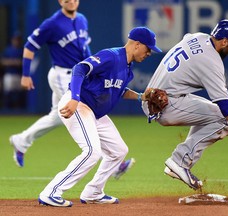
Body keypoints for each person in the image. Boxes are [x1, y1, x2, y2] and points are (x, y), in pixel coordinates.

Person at [38, 26, 162, 207]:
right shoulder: (111, 56)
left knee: (119, 150)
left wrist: (140, 96)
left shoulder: (128, 68)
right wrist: (74, 98)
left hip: (94, 112)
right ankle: (51, 192)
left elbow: (118, 90)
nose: (149, 53)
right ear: (137, 44)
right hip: (79, 105)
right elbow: (80, 68)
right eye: (148, 48)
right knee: (91, 152)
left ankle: (93, 192)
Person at [9, 0, 134, 177]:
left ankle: (21, 140)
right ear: (60, 1)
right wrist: (25, 74)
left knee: (57, 116)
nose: (71, 1)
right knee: (87, 108)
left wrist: (93, 66)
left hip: (78, 74)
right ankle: (116, 161)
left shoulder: (82, 19)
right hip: (63, 75)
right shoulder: (51, 24)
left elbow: (85, 48)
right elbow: (30, 47)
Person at [141, 19, 228, 190]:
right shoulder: (211, 61)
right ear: (225, 42)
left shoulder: (197, 37)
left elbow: (187, 41)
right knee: (225, 119)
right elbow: (227, 106)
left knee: (215, 113)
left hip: (154, 98)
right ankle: (179, 161)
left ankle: (181, 160)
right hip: (167, 106)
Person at [0, 32, 26, 109]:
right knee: (8, 92)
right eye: (15, 39)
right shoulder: (8, 50)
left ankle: (18, 111)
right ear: (12, 40)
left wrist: (18, 62)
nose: (17, 41)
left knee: (18, 93)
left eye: (18, 40)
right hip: (9, 74)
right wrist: (12, 62)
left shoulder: (22, 50)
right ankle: (7, 110)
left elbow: (25, 62)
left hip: (19, 74)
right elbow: (2, 61)